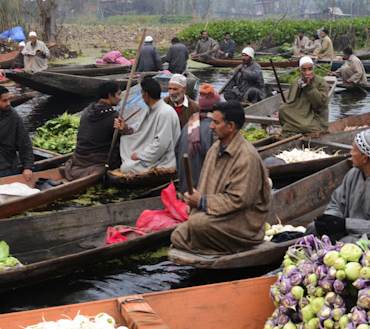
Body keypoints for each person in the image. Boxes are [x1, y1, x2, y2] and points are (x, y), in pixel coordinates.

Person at [171, 101, 271, 255]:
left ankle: (231, 248)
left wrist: (201, 201)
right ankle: (214, 246)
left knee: (197, 224)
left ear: (231, 126)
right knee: (177, 235)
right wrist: (194, 202)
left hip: (243, 220)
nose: (211, 127)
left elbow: (239, 200)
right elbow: (205, 184)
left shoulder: (246, 156)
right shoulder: (215, 149)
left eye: (216, 122)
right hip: (220, 215)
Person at [114, 76, 180, 174]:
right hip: (152, 152)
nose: (142, 97)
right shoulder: (150, 109)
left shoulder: (166, 112)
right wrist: (125, 128)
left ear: (146, 95)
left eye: (142, 94)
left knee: (126, 168)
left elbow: (161, 144)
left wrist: (141, 156)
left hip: (164, 159)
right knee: (124, 139)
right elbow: (138, 127)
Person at [63, 80, 121, 180]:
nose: (120, 98)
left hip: (79, 157)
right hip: (96, 160)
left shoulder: (87, 110)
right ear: (110, 96)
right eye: (118, 94)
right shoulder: (113, 116)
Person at [175, 84, 221, 193]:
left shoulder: (189, 124)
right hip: (201, 193)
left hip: (184, 189)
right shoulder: (215, 129)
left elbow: (177, 151)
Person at [276, 56, 329, 138]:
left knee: (305, 126)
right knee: (283, 109)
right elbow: (291, 101)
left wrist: (310, 86)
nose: (307, 73)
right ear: (300, 70)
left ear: (313, 69)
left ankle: (292, 127)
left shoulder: (321, 82)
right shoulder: (295, 82)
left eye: (310, 69)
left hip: (314, 117)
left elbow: (320, 105)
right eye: (304, 70)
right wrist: (287, 103)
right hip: (299, 114)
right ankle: (293, 127)